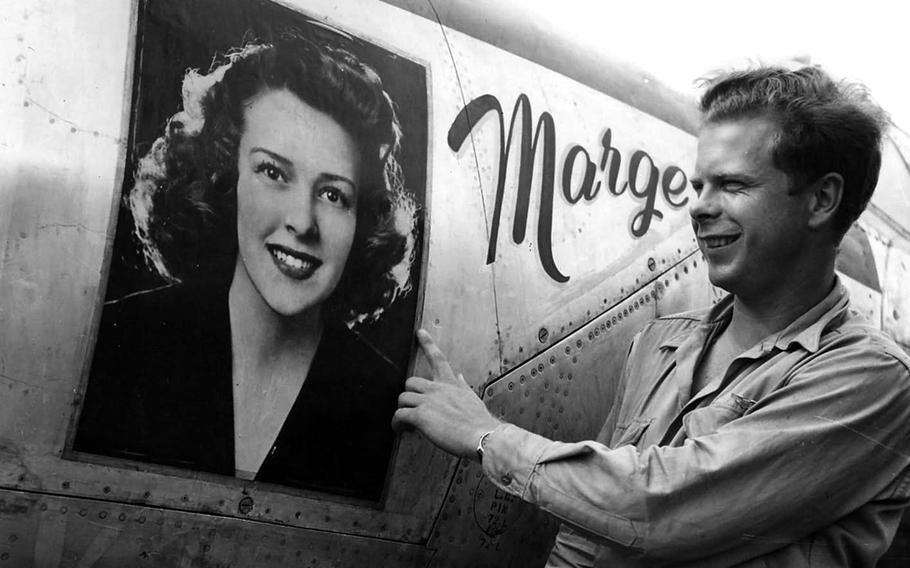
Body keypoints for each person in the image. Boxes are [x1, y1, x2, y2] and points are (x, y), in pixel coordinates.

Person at [393, 65, 910, 565]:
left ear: (822, 199)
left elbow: (659, 511)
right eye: (700, 185)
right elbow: (586, 536)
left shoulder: (874, 378)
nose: (701, 207)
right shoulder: (660, 341)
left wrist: (485, 436)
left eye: (733, 185)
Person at [74, 35, 418, 501]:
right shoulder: (119, 342)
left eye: (333, 194)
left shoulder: (384, 403)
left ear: (363, 222)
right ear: (225, 175)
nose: (302, 221)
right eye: (273, 172)